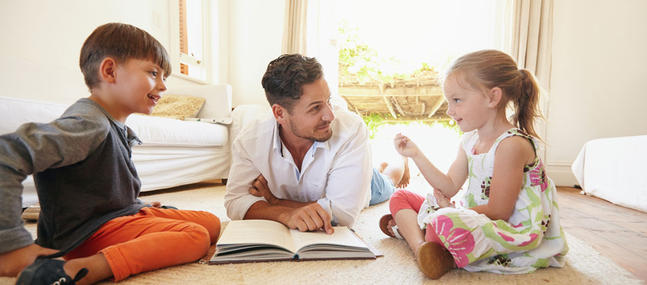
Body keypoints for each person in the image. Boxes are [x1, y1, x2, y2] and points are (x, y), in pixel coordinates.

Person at [0, 23, 221, 284]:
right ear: (110, 71)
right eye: (153, 73)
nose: (163, 86)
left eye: (164, 77)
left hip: (114, 217)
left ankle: (136, 221)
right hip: (85, 234)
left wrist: (137, 205)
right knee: (195, 236)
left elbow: (99, 189)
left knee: (212, 223)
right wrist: (11, 243)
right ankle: (81, 269)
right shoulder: (88, 123)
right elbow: (6, 154)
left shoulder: (111, 122)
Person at [378, 50, 568, 279]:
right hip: (472, 215)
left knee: (444, 220)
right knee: (401, 197)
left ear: (492, 98)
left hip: (507, 228)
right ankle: (423, 248)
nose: (450, 110)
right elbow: (448, 186)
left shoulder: (511, 145)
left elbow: (499, 211)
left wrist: (449, 210)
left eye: (457, 100)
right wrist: (416, 154)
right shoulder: (470, 141)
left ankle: (421, 237)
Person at [225, 54, 407, 232]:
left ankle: (401, 160)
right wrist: (284, 215)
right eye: (315, 108)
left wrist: (275, 203)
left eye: (328, 101)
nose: (330, 115)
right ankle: (380, 165)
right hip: (344, 174)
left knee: (389, 181)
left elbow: (342, 215)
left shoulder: (351, 130)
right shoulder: (250, 140)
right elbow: (235, 202)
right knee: (377, 171)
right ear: (280, 114)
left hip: (364, 181)